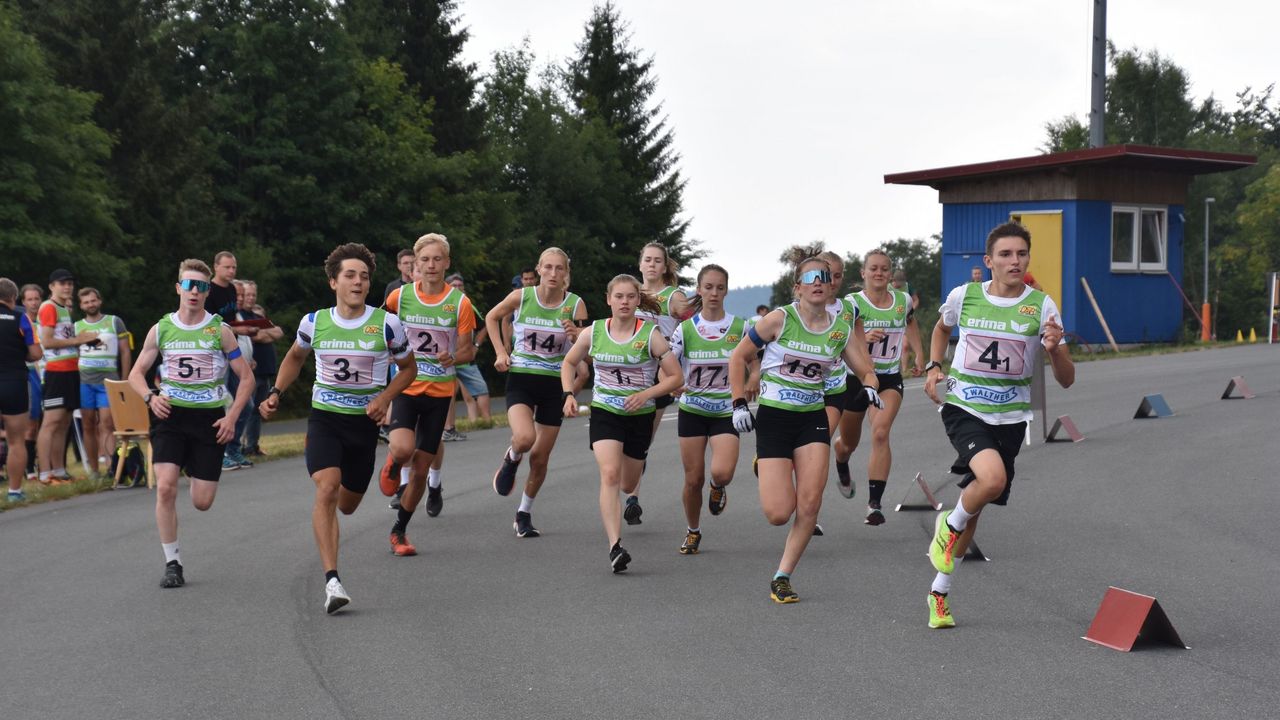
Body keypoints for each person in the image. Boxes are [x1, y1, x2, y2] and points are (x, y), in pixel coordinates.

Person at [922, 221, 1074, 629]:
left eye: (1021, 254)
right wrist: (935, 365)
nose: (1014, 261)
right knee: (990, 480)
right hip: (964, 407)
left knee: (976, 510)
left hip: (1010, 417)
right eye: (1005, 255)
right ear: (989, 261)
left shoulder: (1041, 306)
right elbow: (941, 328)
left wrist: (1054, 349)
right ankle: (946, 524)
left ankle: (939, 593)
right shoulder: (964, 296)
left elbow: (1066, 378)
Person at [260, 243, 415, 614]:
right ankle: (332, 580)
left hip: (362, 425)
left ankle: (390, 464)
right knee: (326, 489)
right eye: (350, 275)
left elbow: (409, 370)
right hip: (325, 418)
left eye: (364, 276)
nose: (358, 282)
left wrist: (384, 398)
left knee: (347, 505)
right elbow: (295, 357)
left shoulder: (387, 324)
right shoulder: (314, 322)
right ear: (333, 282)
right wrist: (276, 391)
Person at [729, 257, 880, 604]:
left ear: (830, 287)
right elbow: (738, 357)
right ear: (797, 287)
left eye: (824, 278)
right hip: (775, 418)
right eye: (810, 278)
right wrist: (738, 402)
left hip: (812, 418)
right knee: (778, 513)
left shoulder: (839, 328)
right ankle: (768, 467)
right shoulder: (779, 319)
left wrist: (870, 385)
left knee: (810, 503)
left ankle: (782, 576)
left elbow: (866, 369)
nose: (818, 282)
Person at [128, 259, 255, 588]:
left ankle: (190, 462)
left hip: (209, 419)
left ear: (207, 291)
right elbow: (135, 374)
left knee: (202, 501)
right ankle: (173, 563)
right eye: (189, 285)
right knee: (166, 487)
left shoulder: (220, 331)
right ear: (178, 288)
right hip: (170, 415)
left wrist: (231, 416)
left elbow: (247, 379)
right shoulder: (162, 328)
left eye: (200, 286)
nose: (194, 292)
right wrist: (150, 397)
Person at [561, 274, 683, 572]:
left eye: (630, 296)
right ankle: (615, 545)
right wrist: (568, 394)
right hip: (605, 411)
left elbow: (676, 378)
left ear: (637, 300)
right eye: (619, 297)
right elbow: (568, 362)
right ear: (609, 300)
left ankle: (632, 488)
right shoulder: (595, 332)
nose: (624, 302)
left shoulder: (650, 335)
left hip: (639, 416)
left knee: (628, 482)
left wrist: (646, 394)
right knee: (610, 474)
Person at [377, 233, 476, 556]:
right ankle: (394, 462)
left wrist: (453, 357)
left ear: (447, 263)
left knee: (421, 472)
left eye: (437, 260)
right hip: (407, 386)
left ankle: (399, 531)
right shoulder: (399, 297)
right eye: (425, 260)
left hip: (439, 393)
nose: (431, 266)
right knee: (403, 448)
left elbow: (467, 351)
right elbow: (377, 329)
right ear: (414, 265)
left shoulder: (460, 303)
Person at [486, 247, 587, 537]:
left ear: (566, 273)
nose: (554, 274)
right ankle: (512, 457)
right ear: (539, 269)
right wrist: (501, 352)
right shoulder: (522, 297)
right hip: (521, 378)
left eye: (560, 269)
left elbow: (584, 351)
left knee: (541, 457)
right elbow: (492, 318)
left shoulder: (575, 305)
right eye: (549, 267)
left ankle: (523, 513)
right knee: (525, 438)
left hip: (554, 384)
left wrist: (577, 336)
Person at [831, 250, 924, 524]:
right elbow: (841, 339)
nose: (879, 273)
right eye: (873, 269)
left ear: (890, 274)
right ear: (863, 273)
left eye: (884, 269)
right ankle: (841, 459)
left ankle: (874, 504)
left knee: (881, 432)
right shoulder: (852, 303)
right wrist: (864, 338)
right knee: (848, 442)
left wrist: (919, 353)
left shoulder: (902, 301)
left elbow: (911, 323)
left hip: (888, 379)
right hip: (856, 380)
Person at [670, 264, 747, 555]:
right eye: (709, 287)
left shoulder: (740, 327)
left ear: (726, 290)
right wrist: (672, 381)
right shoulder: (686, 329)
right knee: (692, 479)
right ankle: (693, 530)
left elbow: (754, 364)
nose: (714, 293)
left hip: (726, 410)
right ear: (699, 290)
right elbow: (667, 362)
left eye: (720, 287)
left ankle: (718, 486)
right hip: (693, 410)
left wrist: (750, 382)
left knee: (723, 472)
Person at [626, 242, 688, 525]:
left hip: (659, 374)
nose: (651, 264)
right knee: (623, 438)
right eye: (647, 259)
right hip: (626, 372)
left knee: (642, 440)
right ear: (640, 264)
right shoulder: (630, 293)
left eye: (657, 261)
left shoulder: (673, 297)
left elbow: (692, 324)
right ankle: (631, 493)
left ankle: (632, 499)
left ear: (665, 267)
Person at [36, 269, 99, 484]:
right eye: (62, 283)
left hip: (70, 370)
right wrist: (79, 340)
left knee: (63, 423)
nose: (67, 287)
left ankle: (60, 471)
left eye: (70, 283)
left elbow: (63, 339)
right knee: (51, 422)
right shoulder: (49, 307)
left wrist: (85, 340)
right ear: (52, 286)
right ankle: (45, 474)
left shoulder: (63, 309)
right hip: (55, 372)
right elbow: (47, 341)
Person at [75, 287, 132, 478]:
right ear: (81, 305)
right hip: (85, 381)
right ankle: (93, 470)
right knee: (88, 425)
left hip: (109, 380)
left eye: (93, 300)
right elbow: (75, 353)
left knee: (107, 423)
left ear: (99, 301)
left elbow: (125, 352)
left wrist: (124, 380)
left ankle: (110, 467)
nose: (90, 304)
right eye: (86, 302)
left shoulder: (114, 321)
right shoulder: (76, 326)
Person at [0, 278, 40, 501]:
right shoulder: (20, 317)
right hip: (14, 382)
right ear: (14, 298)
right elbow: (35, 354)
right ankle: (14, 491)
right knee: (16, 440)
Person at [441, 273, 491, 440]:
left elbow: (484, 326)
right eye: (453, 286)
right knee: (448, 393)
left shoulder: (467, 304)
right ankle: (448, 428)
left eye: (460, 286)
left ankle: (486, 422)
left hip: (465, 357)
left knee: (480, 388)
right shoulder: (441, 304)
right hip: (446, 357)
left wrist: (475, 346)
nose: (457, 289)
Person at [239, 281, 283, 457]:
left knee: (257, 411)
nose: (250, 298)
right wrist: (263, 334)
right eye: (246, 295)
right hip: (250, 371)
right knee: (246, 409)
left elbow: (278, 332)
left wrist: (263, 334)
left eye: (252, 295)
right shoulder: (240, 316)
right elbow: (254, 336)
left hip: (265, 371)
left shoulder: (256, 315)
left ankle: (252, 445)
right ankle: (239, 447)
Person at [222, 280, 257, 471]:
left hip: (242, 368)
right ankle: (223, 451)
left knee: (247, 406)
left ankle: (234, 448)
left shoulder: (240, 315)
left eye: (244, 295)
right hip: (227, 368)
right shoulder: (227, 317)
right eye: (239, 295)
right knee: (227, 406)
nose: (242, 298)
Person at [20, 284, 43, 480]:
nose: (34, 303)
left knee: (46, 423)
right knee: (31, 422)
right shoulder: (21, 322)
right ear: (23, 302)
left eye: (37, 299)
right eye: (30, 299)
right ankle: (28, 468)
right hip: (30, 373)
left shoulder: (46, 322)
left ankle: (44, 463)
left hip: (50, 373)